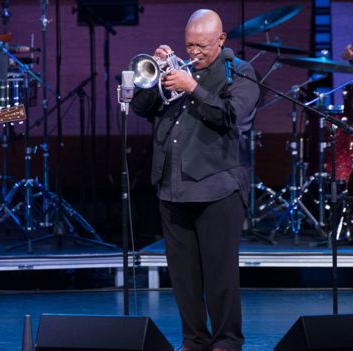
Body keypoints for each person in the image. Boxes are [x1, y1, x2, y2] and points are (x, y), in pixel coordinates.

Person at [130, 9, 259, 351]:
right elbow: (141, 107)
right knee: (184, 278)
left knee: (219, 276)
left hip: (218, 187)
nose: (194, 53)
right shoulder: (177, 71)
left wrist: (192, 88)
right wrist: (157, 73)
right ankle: (194, 340)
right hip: (172, 186)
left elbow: (231, 117)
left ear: (220, 40)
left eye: (202, 46)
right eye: (189, 45)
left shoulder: (239, 72)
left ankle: (227, 342)